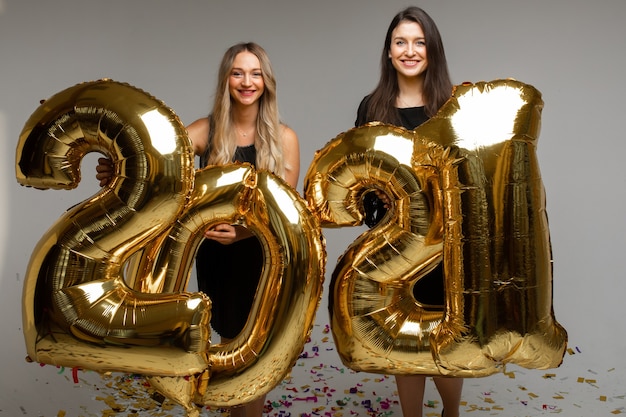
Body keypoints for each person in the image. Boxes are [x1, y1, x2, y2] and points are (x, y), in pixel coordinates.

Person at [97, 42, 300, 417]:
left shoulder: (285, 139)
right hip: (216, 261)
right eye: (238, 72)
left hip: (264, 260)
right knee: (227, 350)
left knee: (253, 354)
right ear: (226, 80)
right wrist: (118, 172)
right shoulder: (206, 131)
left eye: (255, 73)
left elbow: (286, 218)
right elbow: (156, 161)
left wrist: (243, 233)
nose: (247, 81)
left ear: (267, 82)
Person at [355, 6, 463, 417]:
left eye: (419, 42)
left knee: (442, 335)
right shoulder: (371, 108)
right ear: (388, 52)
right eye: (401, 42)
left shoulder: (452, 105)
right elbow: (362, 175)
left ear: (431, 50)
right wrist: (373, 207)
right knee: (403, 336)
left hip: (444, 247)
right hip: (392, 247)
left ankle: (451, 412)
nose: (410, 50)